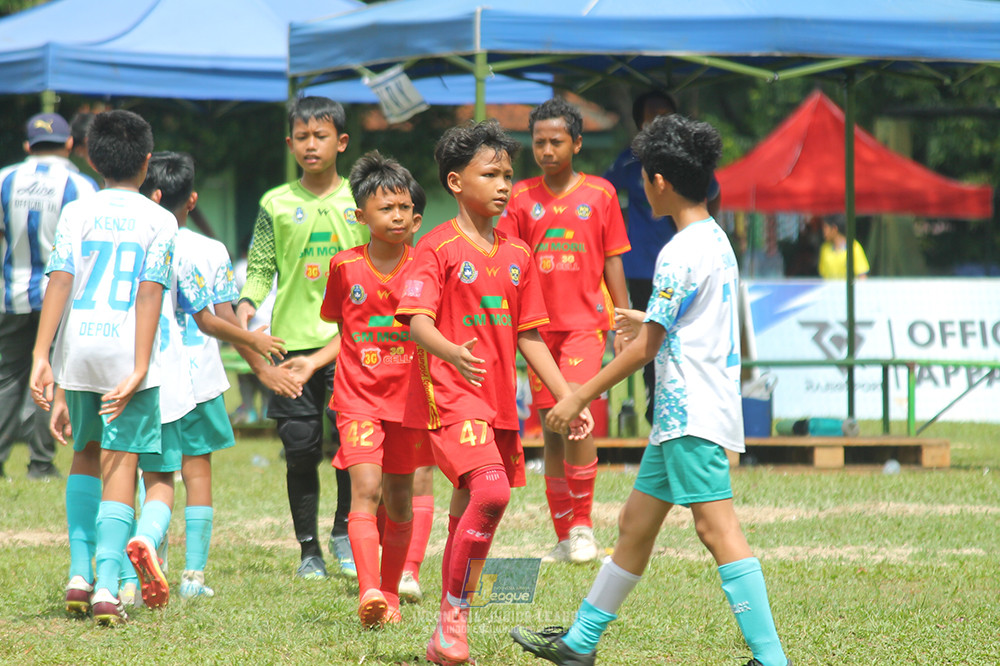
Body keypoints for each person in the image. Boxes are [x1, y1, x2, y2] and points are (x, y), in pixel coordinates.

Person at [511, 114, 790, 666]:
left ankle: (772, 658)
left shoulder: (677, 251)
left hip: (690, 410)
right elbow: (686, 323)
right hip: (681, 412)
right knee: (634, 525)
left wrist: (577, 396)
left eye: (644, 176)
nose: (642, 185)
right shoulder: (713, 239)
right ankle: (579, 644)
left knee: (717, 529)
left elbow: (644, 349)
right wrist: (649, 319)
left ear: (659, 181)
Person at [395, 119, 592, 666]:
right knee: (491, 491)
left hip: (500, 404)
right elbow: (415, 321)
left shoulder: (519, 255)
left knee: (472, 512)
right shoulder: (434, 247)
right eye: (491, 174)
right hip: (449, 396)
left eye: (509, 174)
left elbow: (530, 335)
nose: (505, 185)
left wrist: (567, 398)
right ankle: (453, 621)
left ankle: (446, 629)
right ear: (456, 182)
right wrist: (450, 350)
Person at [29, 109, 175, 626]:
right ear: (147, 161)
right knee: (121, 464)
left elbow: (61, 280)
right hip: (124, 351)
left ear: (92, 157)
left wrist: (41, 354)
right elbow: (149, 292)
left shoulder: (78, 211)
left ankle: (76, 575)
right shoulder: (161, 219)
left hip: (79, 349)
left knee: (84, 455)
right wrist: (139, 366)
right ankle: (109, 586)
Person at [285, 150, 431, 628]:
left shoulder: (427, 266)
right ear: (360, 215)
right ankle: (369, 590)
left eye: (403, 207)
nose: (396, 216)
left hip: (409, 401)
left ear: (414, 214)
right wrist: (313, 361)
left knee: (400, 499)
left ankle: (390, 593)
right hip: (357, 399)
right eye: (385, 208)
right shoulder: (345, 267)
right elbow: (344, 329)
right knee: (366, 490)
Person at [137, 151, 285, 601]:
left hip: (148, 377)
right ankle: (193, 577)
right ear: (193, 199)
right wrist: (259, 361)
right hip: (199, 379)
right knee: (198, 474)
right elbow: (224, 320)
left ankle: (149, 563)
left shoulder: (137, 243)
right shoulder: (209, 249)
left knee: (153, 476)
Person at [236, 96, 369, 579]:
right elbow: (260, 270)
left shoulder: (361, 200)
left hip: (351, 342)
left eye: (321, 135)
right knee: (300, 449)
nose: (311, 145)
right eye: (302, 137)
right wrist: (247, 304)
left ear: (341, 141)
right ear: (289, 142)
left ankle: (344, 534)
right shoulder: (275, 203)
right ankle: (309, 548)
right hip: (290, 347)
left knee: (352, 445)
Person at [498, 97, 630, 564]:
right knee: (551, 429)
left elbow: (613, 257)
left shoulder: (601, 194)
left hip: (583, 328)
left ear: (576, 142)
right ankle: (560, 534)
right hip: (535, 333)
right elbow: (510, 262)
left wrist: (626, 318)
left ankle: (582, 527)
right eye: (539, 142)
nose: (547, 150)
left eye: (557, 141)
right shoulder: (518, 199)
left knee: (576, 419)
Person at [604, 90, 721, 428]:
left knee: (682, 337)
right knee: (652, 341)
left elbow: (713, 190)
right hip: (644, 267)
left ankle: (680, 415)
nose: (657, 120)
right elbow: (604, 195)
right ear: (639, 121)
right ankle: (658, 409)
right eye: (651, 115)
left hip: (686, 265)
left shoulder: (688, 164)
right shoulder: (628, 161)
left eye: (664, 114)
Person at [0, 112, 97, 480]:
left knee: (8, 378)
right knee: (50, 377)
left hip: (10, 294)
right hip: (62, 298)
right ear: (70, 143)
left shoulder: (4, 179)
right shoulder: (81, 185)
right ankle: (40, 463)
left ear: (27, 146)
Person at [818, 214, 869, 279]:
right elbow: (823, 275)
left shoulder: (854, 247)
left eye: (825, 227)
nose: (823, 231)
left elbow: (862, 276)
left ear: (834, 229)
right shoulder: (825, 249)